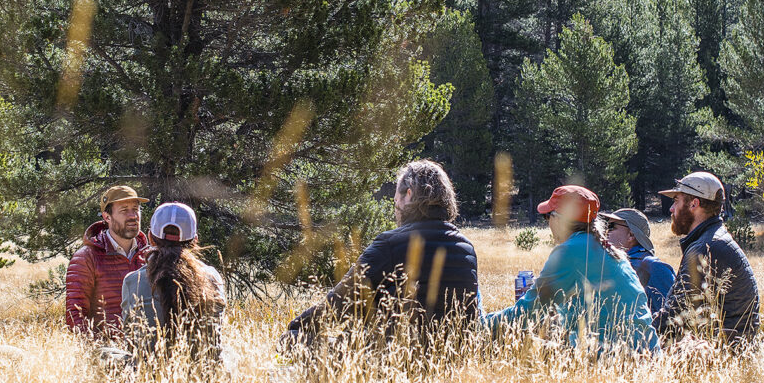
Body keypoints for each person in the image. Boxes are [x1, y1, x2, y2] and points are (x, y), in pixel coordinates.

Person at [281, 160, 481, 349]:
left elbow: (339, 303)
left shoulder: (391, 244)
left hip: (395, 360)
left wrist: (297, 327)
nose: (394, 203)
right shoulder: (466, 248)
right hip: (453, 358)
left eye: (396, 197)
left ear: (408, 194)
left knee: (291, 340)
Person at [487, 186, 659, 355]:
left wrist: (481, 324)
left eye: (548, 216)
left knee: (519, 349)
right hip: (645, 355)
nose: (547, 223)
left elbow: (526, 313)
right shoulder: (606, 249)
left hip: (616, 359)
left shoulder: (570, 251)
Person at [652, 172, 759, 345]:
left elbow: (674, 318)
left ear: (694, 203)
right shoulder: (713, 240)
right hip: (728, 351)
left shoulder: (706, 248)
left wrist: (637, 334)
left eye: (676, 201)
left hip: (721, 358)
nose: (671, 209)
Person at [121, 202, 226, 363]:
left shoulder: (133, 281)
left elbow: (130, 337)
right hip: (202, 377)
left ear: (150, 238)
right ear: (194, 240)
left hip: (148, 376)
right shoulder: (212, 277)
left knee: (104, 353)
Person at [65, 185, 149, 336]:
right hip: (107, 351)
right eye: (124, 210)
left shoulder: (149, 256)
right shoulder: (87, 257)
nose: (133, 215)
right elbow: (75, 314)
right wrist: (94, 349)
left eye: (136, 209)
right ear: (107, 217)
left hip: (149, 351)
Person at [601, 207, 675, 316]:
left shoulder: (654, 267)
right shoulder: (610, 263)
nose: (605, 232)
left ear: (631, 235)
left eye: (611, 227)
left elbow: (671, 317)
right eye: (604, 227)